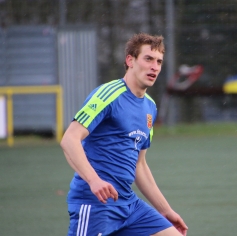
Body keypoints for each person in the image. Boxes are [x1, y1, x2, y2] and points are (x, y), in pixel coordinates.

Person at [60, 33, 188, 236]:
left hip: (128, 205)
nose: (155, 67)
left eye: (159, 61)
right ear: (130, 60)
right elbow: (69, 139)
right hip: (95, 203)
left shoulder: (150, 107)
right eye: (148, 59)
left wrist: (166, 211)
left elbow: (140, 165)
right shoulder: (108, 95)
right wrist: (94, 181)